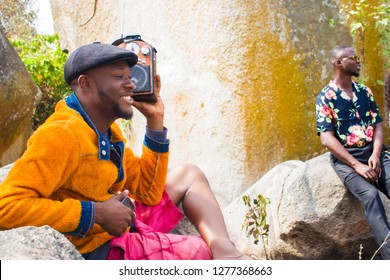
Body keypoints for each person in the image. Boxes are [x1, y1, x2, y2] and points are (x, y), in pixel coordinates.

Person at [0, 42, 251, 260]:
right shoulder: (61, 135)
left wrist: (155, 122)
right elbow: (6, 207)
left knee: (189, 174)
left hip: (117, 221)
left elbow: (148, 192)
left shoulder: (108, 131)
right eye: (119, 77)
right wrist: (95, 213)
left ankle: (227, 252)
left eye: (130, 76)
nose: (131, 84)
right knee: (199, 251)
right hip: (97, 247)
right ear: (85, 83)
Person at [315, 45, 390, 259]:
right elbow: (327, 138)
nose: (358, 61)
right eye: (353, 58)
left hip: (373, 153)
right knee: (371, 195)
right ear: (339, 63)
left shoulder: (364, 91)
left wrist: (375, 155)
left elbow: (377, 126)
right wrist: (357, 165)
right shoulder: (325, 97)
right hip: (347, 160)